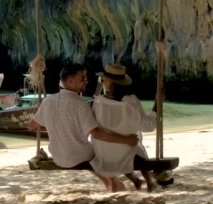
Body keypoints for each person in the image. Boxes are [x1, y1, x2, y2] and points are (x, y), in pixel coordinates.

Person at [28, 63, 138, 192]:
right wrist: (127, 139)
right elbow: (96, 133)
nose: (86, 81)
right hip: (80, 156)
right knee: (102, 154)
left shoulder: (47, 101)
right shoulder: (80, 104)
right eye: (82, 78)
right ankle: (115, 185)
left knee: (95, 163)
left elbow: (32, 126)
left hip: (58, 157)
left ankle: (109, 182)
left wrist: (55, 126)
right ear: (71, 81)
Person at [91, 63, 158, 192]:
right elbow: (148, 126)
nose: (102, 82)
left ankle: (137, 180)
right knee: (136, 141)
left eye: (104, 80)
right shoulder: (130, 102)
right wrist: (157, 106)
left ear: (109, 82)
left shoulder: (97, 102)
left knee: (130, 141)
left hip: (103, 156)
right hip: (125, 154)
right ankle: (150, 181)